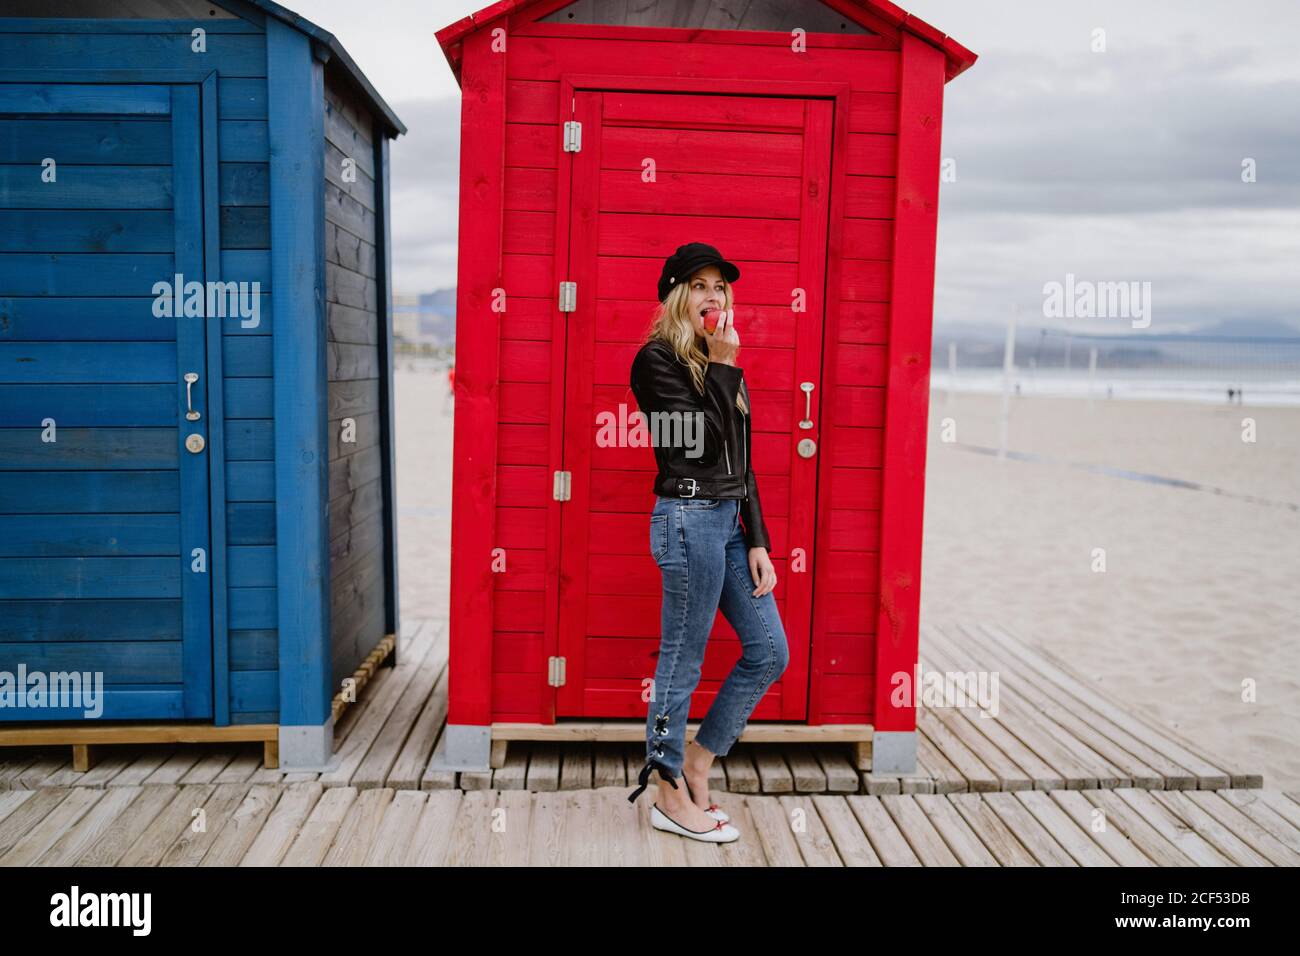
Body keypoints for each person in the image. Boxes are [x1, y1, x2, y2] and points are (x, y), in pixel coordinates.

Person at [625, 242, 789, 844]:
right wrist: (723, 366)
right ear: (676, 295)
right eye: (698, 286)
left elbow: (739, 460)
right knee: (683, 658)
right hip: (687, 518)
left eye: (719, 287)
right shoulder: (656, 362)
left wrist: (758, 539)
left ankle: (700, 757)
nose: (711, 296)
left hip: (726, 526)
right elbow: (695, 444)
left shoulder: (719, 362)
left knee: (770, 650)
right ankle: (667, 791)